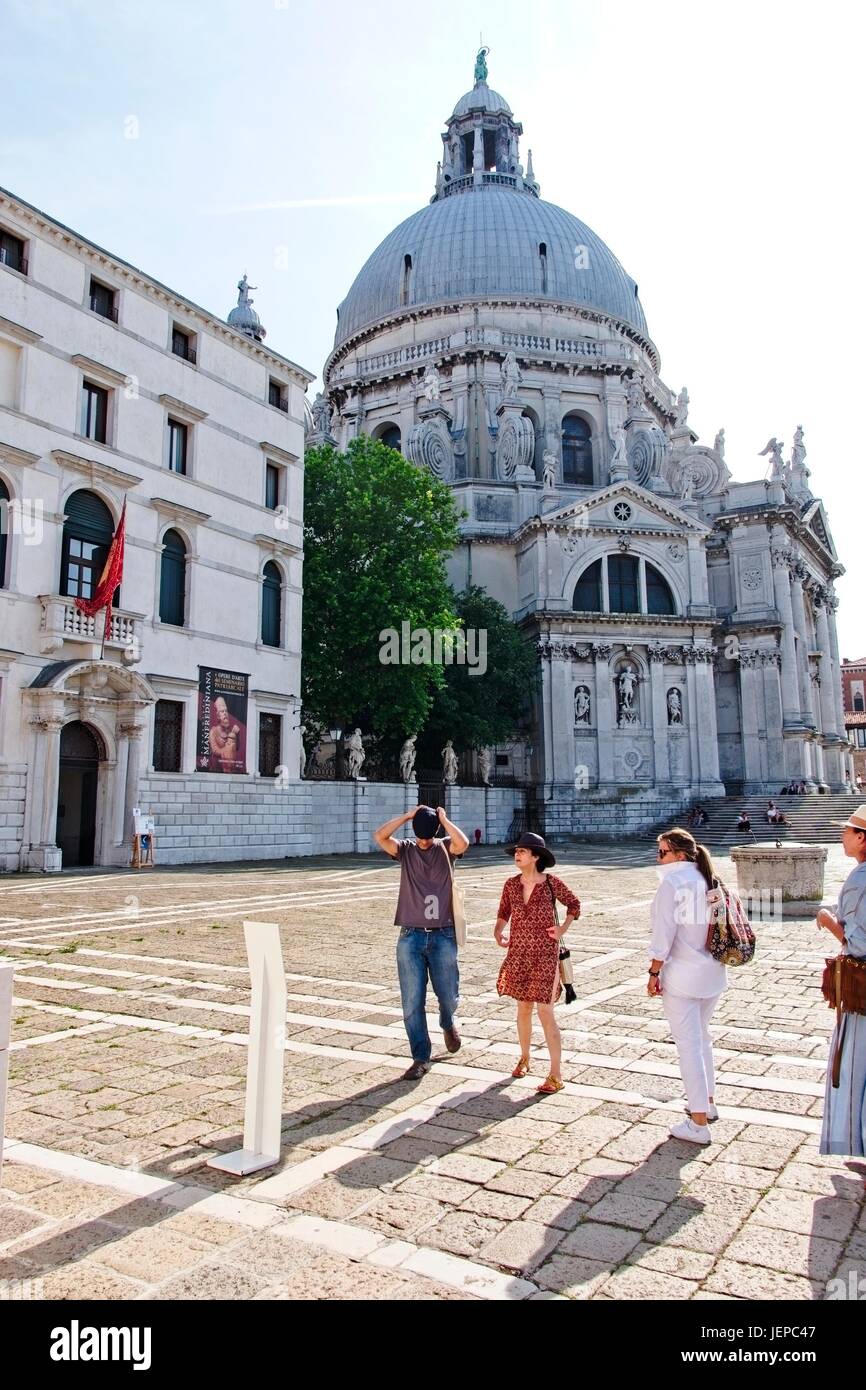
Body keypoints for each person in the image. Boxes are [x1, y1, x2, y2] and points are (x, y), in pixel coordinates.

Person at [373, 804, 469, 1080]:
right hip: (411, 935)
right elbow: (380, 836)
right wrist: (406, 816)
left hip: (443, 933)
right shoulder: (405, 849)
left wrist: (444, 820)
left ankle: (448, 1020)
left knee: (448, 995)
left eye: (428, 836)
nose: (424, 842)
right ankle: (420, 1057)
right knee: (411, 1001)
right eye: (420, 836)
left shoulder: (447, 848)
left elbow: (463, 842)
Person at [647, 828, 727, 1143]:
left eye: (662, 852)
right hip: (713, 975)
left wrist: (654, 973)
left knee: (689, 1048)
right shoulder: (710, 879)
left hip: (682, 977)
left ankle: (697, 1124)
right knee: (703, 1040)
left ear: (679, 854)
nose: (658, 858)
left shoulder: (672, 884)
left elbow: (662, 936)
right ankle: (708, 1103)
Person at [494, 832, 581, 1095]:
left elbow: (574, 904)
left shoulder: (552, 883)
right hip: (519, 953)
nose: (517, 855)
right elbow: (503, 912)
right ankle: (524, 1058)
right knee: (523, 1008)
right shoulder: (511, 884)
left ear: (535, 856)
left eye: (522, 851)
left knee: (545, 1011)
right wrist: (498, 931)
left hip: (545, 954)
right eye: (516, 851)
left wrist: (563, 927)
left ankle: (555, 1073)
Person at [817, 804, 866, 1183]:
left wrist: (828, 920)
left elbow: (858, 941)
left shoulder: (861, 879)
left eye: (847, 831)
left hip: (862, 988)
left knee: (854, 1069)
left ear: (862, 838)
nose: (841, 835)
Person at [208, 696, 246, 773]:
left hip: (230, 768)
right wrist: (232, 736)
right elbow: (215, 751)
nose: (225, 714)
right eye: (222, 711)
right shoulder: (213, 731)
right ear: (218, 716)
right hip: (216, 768)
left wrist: (237, 735)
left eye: (226, 711)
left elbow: (237, 747)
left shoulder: (231, 730)